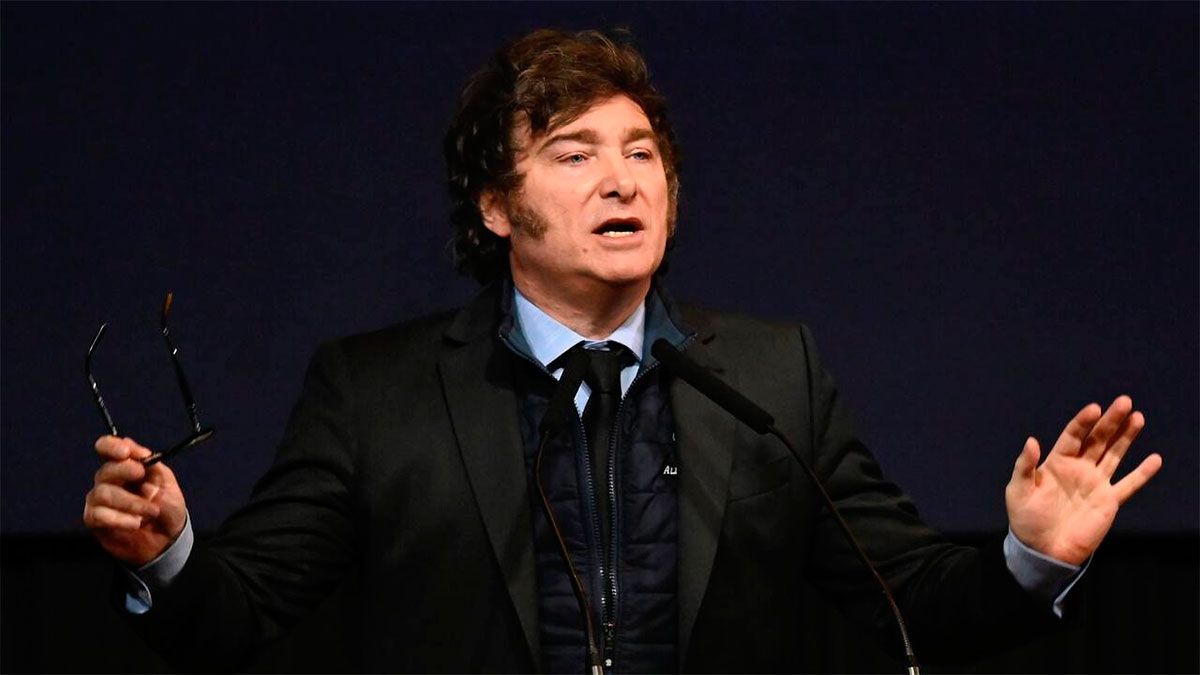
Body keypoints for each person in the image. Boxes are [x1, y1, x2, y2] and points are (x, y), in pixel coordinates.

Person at [82, 28, 1162, 673]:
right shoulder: (376, 391)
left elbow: (912, 599)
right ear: (497, 207)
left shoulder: (772, 373)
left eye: (643, 154)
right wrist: (165, 555)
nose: (622, 179)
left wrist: (1033, 558)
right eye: (575, 153)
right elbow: (236, 620)